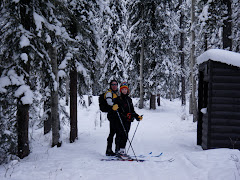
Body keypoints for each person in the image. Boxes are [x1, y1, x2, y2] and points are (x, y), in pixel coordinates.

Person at [113, 82, 143, 155]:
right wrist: (114, 108)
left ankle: (122, 150)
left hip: (128, 120)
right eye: (122, 89)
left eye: (125, 89)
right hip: (120, 120)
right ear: (120, 90)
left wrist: (137, 116)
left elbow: (132, 110)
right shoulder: (118, 99)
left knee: (125, 135)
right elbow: (115, 110)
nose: (124, 91)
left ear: (127, 90)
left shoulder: (129, 99)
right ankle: (117, 150)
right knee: (119, 134)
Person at [105, 80, 119, 156]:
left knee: (116, 132)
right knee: (112, 132)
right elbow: (109, 102)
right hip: (112, 115)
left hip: (116, 115)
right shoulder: (109, 93)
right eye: (112, 84)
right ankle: (109, 150)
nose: (114, 86)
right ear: (110, 85)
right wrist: (115, 105)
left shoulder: (116, 93)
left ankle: (116, 149)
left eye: (115, 84)